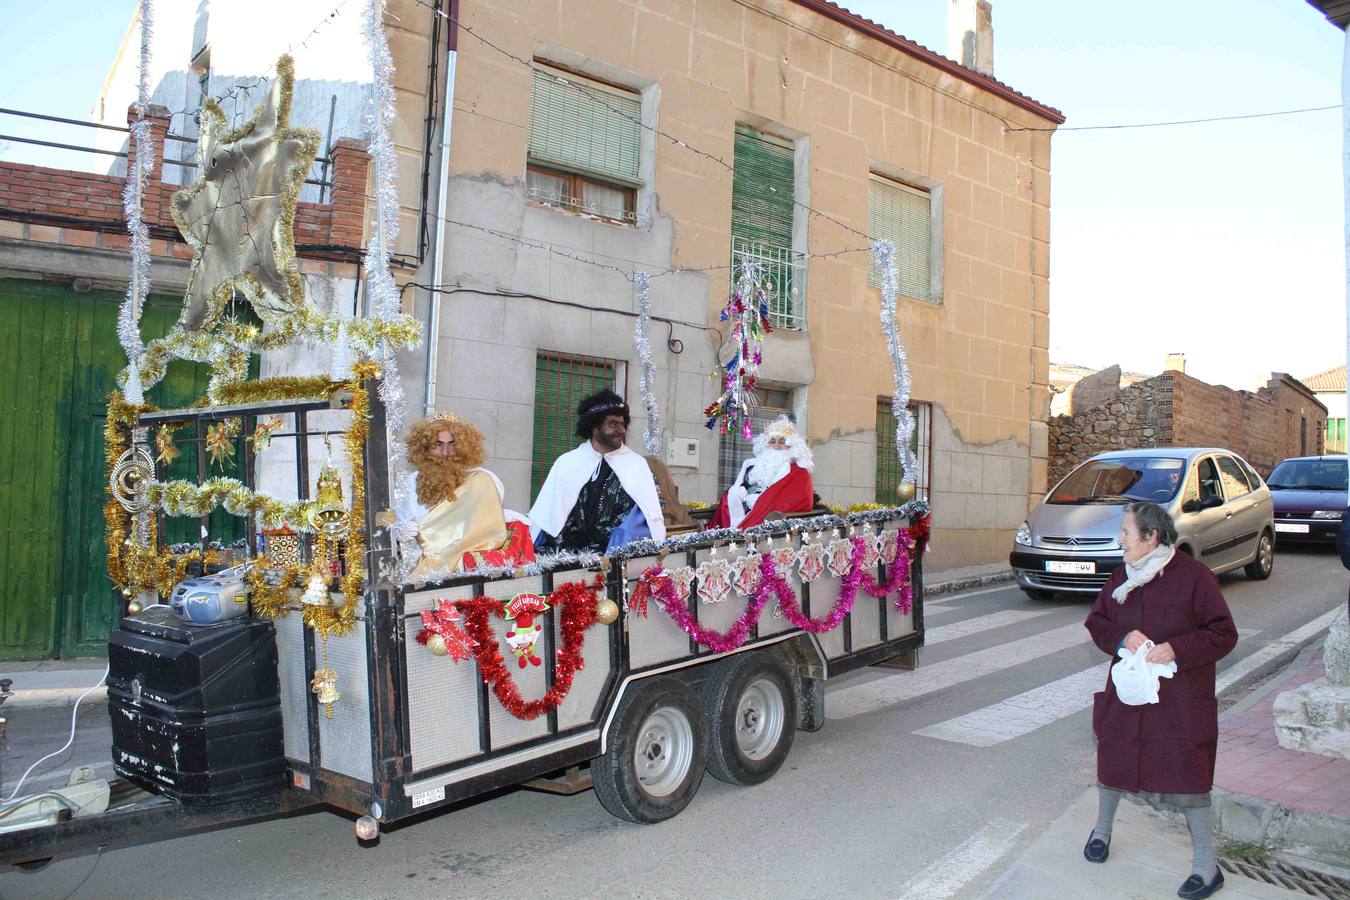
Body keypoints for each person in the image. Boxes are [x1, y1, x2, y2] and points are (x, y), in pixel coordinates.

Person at [1083, 502, 1237, 900]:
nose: (1120, 541)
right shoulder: (1122, 577)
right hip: (1128, 695)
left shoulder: (1195, 578)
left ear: (1151, 537)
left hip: (1179, 702)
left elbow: (1224, 634)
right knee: (1113, 757)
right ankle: (1102, 831)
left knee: (1188, 774)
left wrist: (1176, 649)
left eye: (1126, 534)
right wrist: (1121, 637)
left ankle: (1206, 867)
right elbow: (1097, 622)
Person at [396, 413, 533, 576]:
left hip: (471, 573)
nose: (445, 452)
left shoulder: (483, 479)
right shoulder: (407, 484)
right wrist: (397, 531)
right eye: (437, 445)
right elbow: (388, 521)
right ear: (424, 448)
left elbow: (491, 522)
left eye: (452, 444)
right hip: (424, 572)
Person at [529, 390, 666, 553]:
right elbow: (549, 514)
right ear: (594, 429)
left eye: (622, 424)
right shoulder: (568, 462)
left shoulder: (635, 464)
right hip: (568, 553)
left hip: (616, 553)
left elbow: (641, 521)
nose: (621, 430)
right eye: (613, 424)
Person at [708, 415, 815, 530]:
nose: (777, 446)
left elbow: (800, 502)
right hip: (745, 512)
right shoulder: (753, 465)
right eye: (772, 441)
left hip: (770, 521)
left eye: (782, 442)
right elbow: (742, 486)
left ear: (792, 445)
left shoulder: (799, 471)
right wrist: (737, 491)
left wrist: (760, 501)